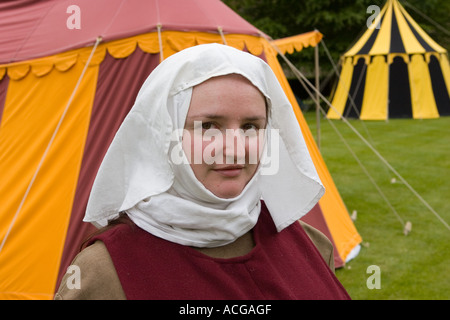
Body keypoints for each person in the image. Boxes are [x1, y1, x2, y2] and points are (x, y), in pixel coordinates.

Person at [55, 43, 350, 300]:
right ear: (163, 134)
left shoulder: (310, 244)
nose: (236, 149)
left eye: (250, 126)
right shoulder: (102, 274)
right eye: (208, 125)